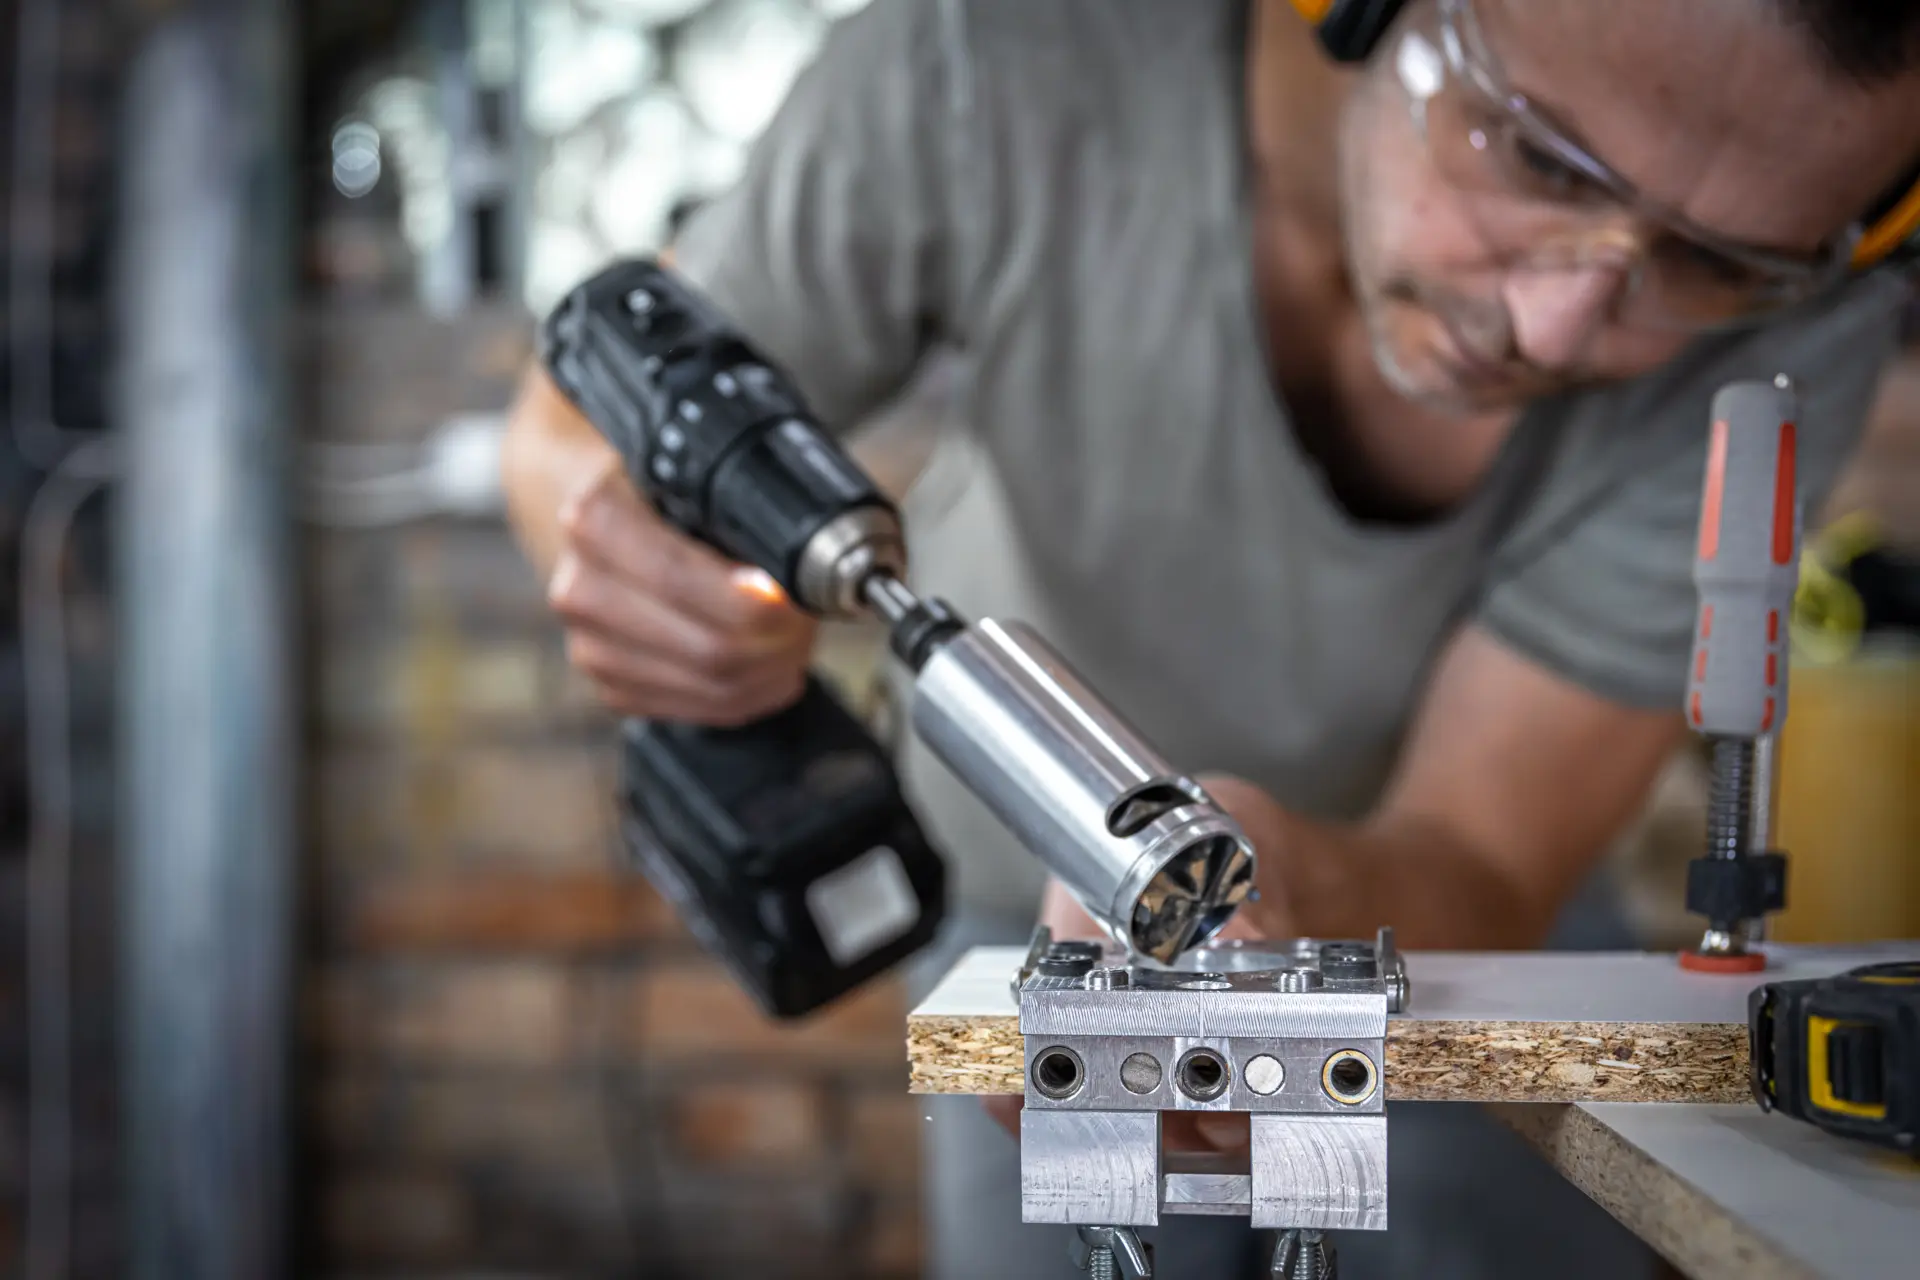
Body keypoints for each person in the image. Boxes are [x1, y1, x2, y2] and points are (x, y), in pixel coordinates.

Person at [501, 1, 1920, 1274]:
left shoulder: (1812, 316)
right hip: (1025, 922)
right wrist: (627, 551)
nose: (1559, 328)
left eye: (1717, 261)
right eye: (1542, 157)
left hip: (1457, 937)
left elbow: (1484, 857)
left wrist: (1298, 899)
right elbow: (575, 425)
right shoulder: (986, 62)